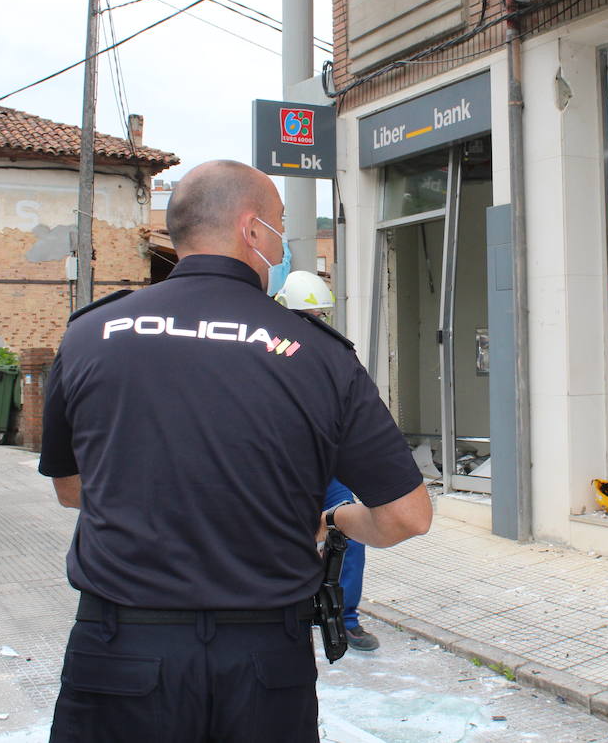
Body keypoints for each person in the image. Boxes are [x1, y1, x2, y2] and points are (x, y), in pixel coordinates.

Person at [39, 160, 432, 743]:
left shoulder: (89, 335)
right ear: (252, 231)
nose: (281, 245)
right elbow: (407, 517)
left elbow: (72, 489)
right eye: (277, 227)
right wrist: (334, 518)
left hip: (121, 652)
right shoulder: (319, 355)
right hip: (262, 661)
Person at [275, 271, 379, 652]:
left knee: (350, 531)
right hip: (281, 467)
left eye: (320, 316)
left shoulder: (332, 354)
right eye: (309, 316)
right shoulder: (265, 351)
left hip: (326, 465)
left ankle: (345, 619)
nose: (315, 323)